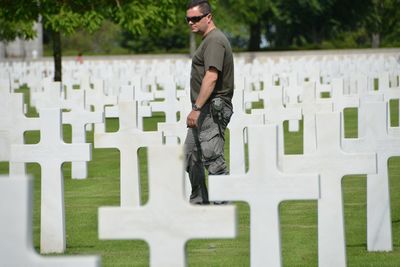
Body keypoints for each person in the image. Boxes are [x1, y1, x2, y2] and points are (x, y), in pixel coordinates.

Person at [184, 0, 234, 205]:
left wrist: (196, 108)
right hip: (203, 108)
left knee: (213, 158)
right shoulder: (208, 40)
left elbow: (211, 76)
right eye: (188, 19)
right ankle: (199, 202)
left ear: (209, 17)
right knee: (190, 155)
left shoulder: (214, 40)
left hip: (211, 108)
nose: (190, 23)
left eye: (195, 18)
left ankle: (222, 207)